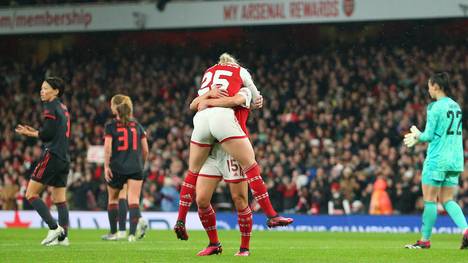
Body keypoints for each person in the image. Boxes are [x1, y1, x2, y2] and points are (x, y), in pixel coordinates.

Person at [174, 53, 293, 256]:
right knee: (202, 200)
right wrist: (207, 97)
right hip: (212, 149)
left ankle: (244, 248)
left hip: (231, 151)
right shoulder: (218, 87)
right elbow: (194, 104)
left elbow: (237, 100)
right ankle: (214, 244)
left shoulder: (244, 90)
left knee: (239, 200)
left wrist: (209, 101)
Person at [403, 72, 468, 249]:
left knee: (430, 200)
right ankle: (466, 230)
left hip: (438, 158)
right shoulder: (456, 106)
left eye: (430, 86)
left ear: (436, 86)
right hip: (455, 158)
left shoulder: (434, 107)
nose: (428, 89)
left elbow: (430, 136)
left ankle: (424, 240)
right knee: (447, 199)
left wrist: (418, 135)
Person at [15, 77, 71, 246]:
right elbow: (52, 132)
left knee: (31, 194)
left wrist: (31, 134)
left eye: (46, 88)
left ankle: (54, 228)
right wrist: (37, 131)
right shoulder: (63, 108)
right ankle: (63, 237)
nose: (42, 91)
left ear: (56, 91)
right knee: (60, 199)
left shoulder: (51, 106)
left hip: (52, 155)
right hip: (64, 157)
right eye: (41, 88)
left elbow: (47, 135)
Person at [103, 94, 149, 242]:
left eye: (111, 104)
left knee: (113, 199)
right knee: (133, 200)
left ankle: (114, 232)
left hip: (117, 167)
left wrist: (106, 166)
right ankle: (131, 235)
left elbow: (107, 149)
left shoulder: (110, 126)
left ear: (116, 108)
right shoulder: (137, 126)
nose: (110, 106)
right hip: (136, 167)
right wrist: (141, 163)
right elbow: (145, 149)